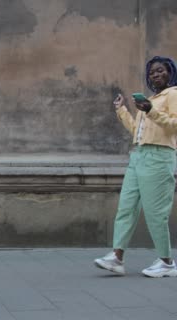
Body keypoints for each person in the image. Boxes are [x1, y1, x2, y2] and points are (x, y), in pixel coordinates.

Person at [94, 56, 177, 277]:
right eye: (152, 72)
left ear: (170, 73)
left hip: (160, 157)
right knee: (126, 207)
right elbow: (137, 132)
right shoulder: (149, 100)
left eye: (161, 71)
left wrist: (151, 110)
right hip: (139, 155)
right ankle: (117, 257)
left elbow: (174, 126)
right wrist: (122, 110)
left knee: (155, 213)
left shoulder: (173, 94)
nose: (156, 75)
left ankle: (167, 262)